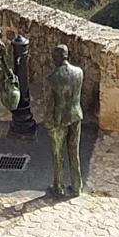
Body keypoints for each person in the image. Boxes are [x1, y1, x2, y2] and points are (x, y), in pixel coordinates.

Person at [45, 44, 84, 198]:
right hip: (76, 115)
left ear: (56, 58)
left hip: (60, 119)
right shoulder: (79, 72)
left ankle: (58, 186)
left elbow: (50, 104)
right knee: (74, 152)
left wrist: (48, 122)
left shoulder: (52, 78)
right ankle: (76, 186)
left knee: (58, 154)